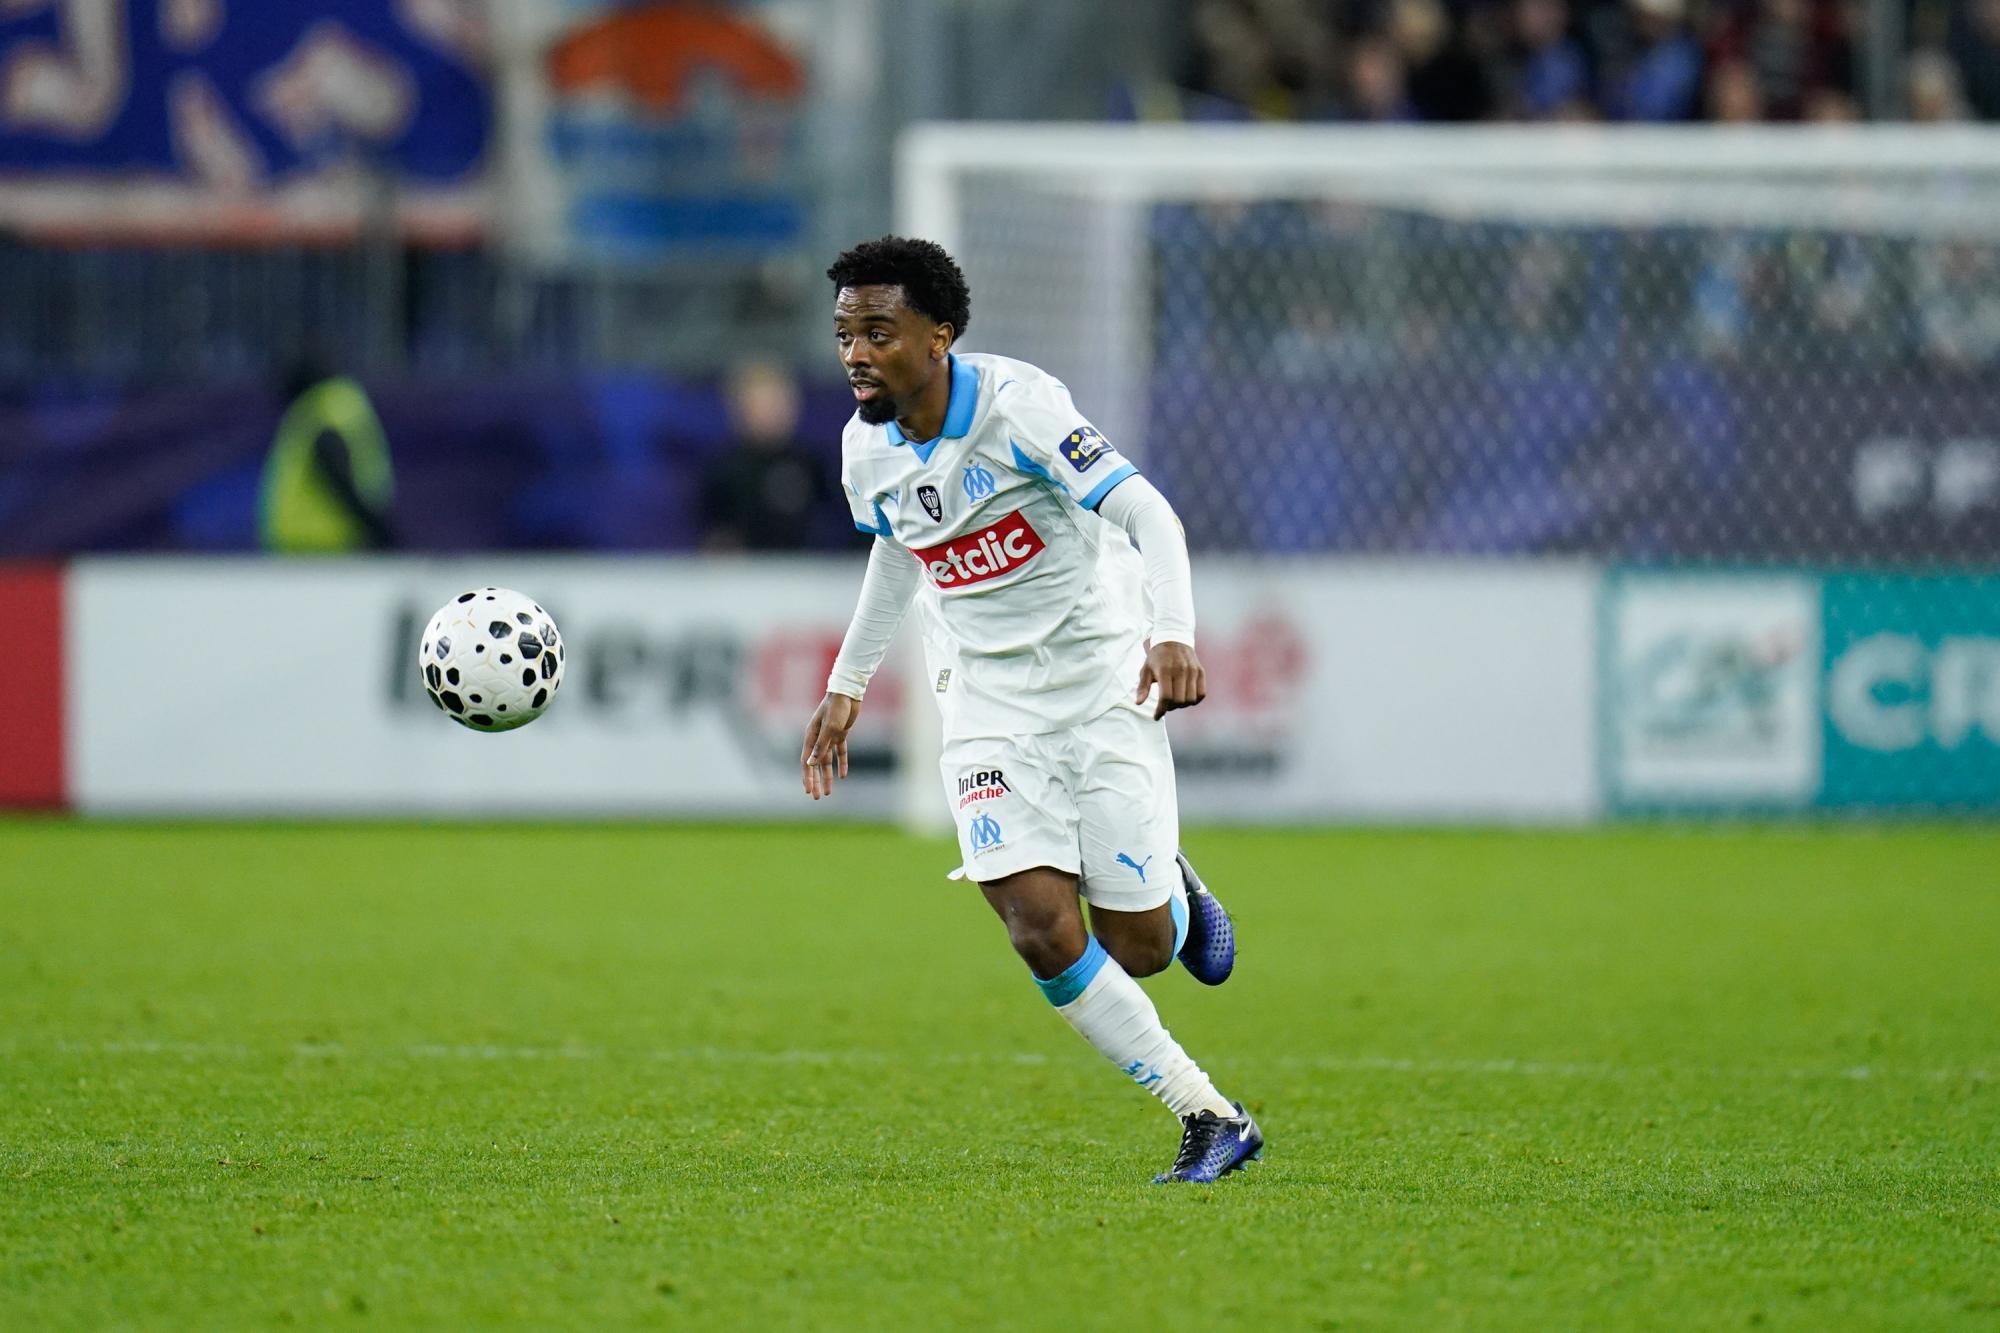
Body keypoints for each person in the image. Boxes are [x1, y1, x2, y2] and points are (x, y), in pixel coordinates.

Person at [798, 237, 1261, 1184]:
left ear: (939, 336)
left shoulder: (1022, 409)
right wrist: (848, 683)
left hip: (1100, 682)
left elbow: (1151, 514)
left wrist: (1173, 632)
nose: (855, 354)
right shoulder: (862, 447)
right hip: (986, 705)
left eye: (878, 332)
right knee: (1039, 926)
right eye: (845, 334)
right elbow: (901, 542)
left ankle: (1173, 892)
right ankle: (1209, 1113)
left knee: (1139, 948)